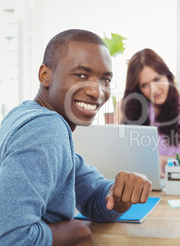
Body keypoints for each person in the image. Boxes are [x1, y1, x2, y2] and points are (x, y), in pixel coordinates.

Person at [0, 29, 152, 245]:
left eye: (105, 80)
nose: (97, 91)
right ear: (45, 75)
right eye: (81, 75)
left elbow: (91, 197)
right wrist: (78, 233)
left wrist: (117, 196)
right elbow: (10, 237)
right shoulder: (47, 128)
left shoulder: (27, 114)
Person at [115, 48, 180, 176]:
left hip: (173, 181)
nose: (154, 90)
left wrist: (162, 160)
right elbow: (121, 154)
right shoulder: (126, 105)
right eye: (144, 85)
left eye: (157, 79)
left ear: (168, 76)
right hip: (137, 180)